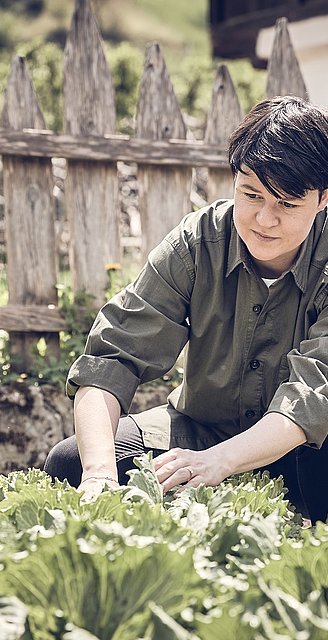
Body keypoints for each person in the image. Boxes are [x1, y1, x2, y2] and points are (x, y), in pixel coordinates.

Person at [44, 95, 328, 524]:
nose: (264, 220)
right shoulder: (197, 243)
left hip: (302, 446)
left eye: (286, 204)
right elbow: (113, 358)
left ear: (323, 199)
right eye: (251, 194)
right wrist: (99, 475)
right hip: (200, 427)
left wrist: (222, 461)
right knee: (71, 460)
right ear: (233, 180)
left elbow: (309, 401)